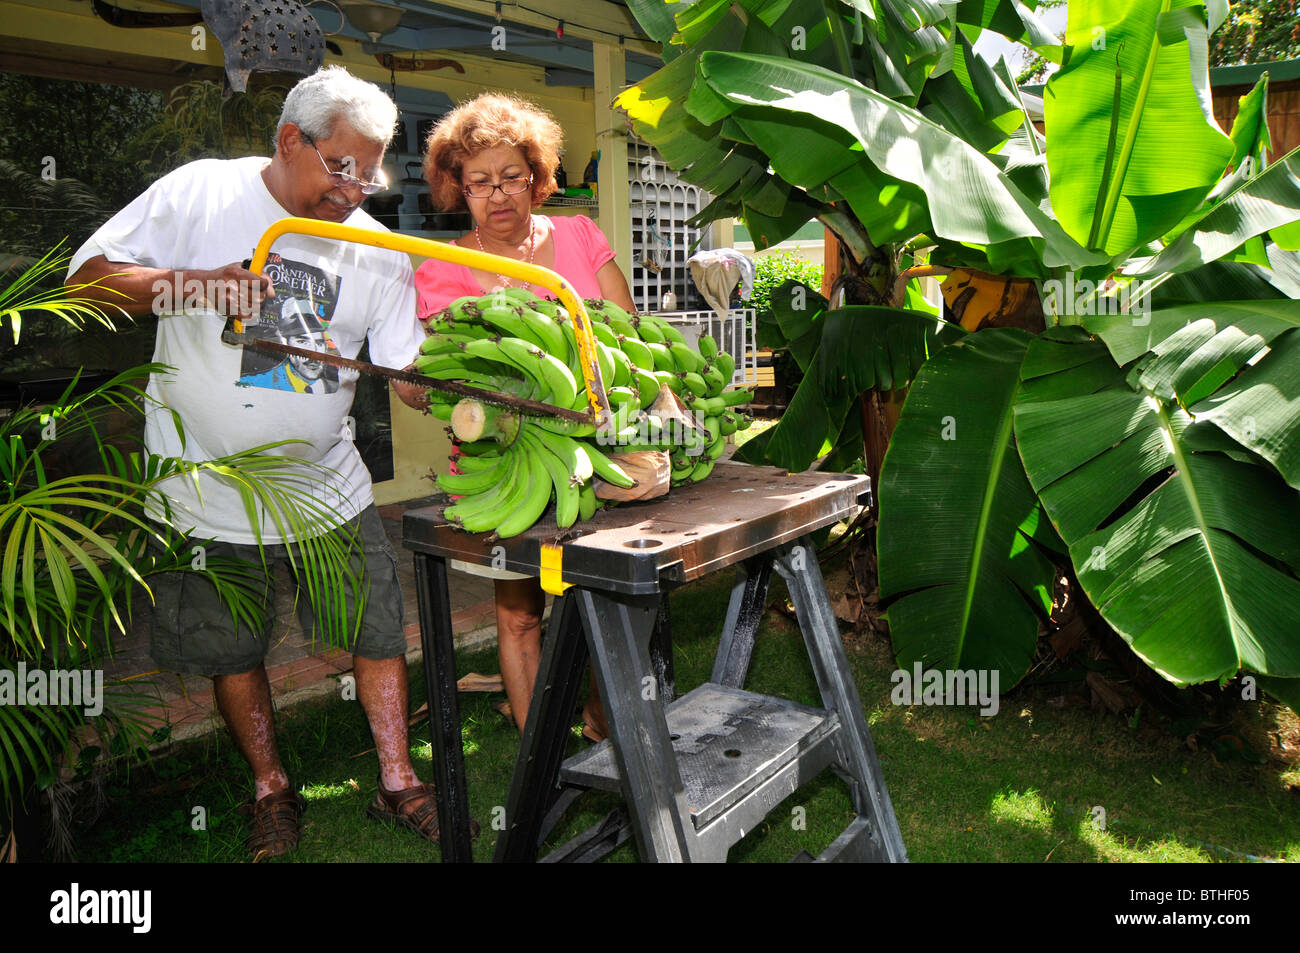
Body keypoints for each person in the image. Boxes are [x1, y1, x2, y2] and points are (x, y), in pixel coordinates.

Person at [66, 66, 464, 860]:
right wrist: (193, 286)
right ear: (291, 140)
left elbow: (402, 373)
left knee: (378, 629)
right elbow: (86, 283)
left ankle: (395, 777)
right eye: (342, 166)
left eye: (371, 169)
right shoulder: (200, 195)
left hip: (328, 486)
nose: (357, 189)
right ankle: (270, 789)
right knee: (231, 646)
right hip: (204, 487)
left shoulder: (377, 249)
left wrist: (459, 384)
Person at [416, 92, 637, 741]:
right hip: (505, 468)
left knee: (595, 601)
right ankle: (539, 747)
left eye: (512, 176)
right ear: (460, 188)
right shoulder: (445, 269)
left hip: (595, 451)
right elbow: (448, 377)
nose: (499, 194)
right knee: (519, 613)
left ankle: (603, 727)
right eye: (480, 182)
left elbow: (626, 331)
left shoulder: (579, 234)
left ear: (538, 174)